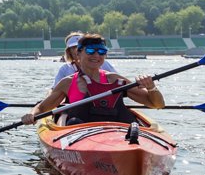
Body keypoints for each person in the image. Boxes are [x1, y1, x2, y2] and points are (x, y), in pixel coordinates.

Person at [22, 33, 164, 126]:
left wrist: (151, 87)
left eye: (101, 52)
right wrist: (32, 114)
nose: (96, 55)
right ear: (78, 53)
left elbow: (157, 104)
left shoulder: (116, 80)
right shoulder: (67, 83)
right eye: (91, 51)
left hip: (117, 136)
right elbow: (42, 107)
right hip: (81, 136)